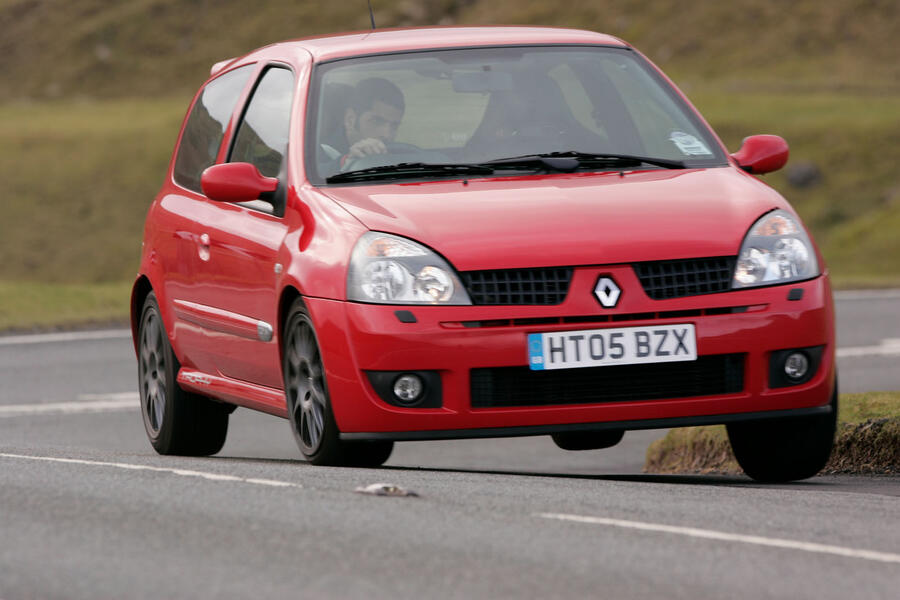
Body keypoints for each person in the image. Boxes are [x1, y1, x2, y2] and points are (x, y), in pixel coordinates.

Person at [319, 77, 405, 171]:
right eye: (376, 121)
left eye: (394, 126)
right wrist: (346, 162)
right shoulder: (319, 154)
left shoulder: (397, 155)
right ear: (350, 120)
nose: (387, 135)